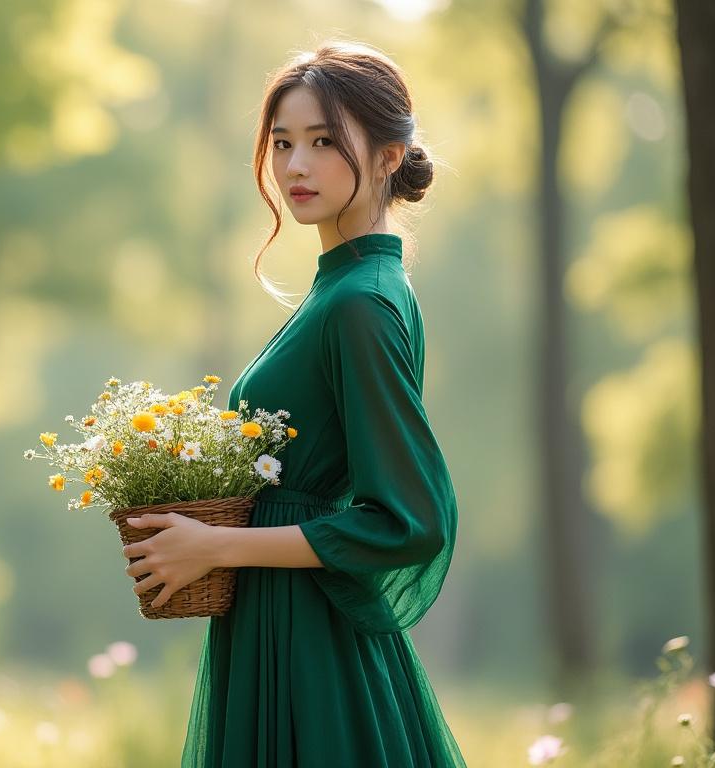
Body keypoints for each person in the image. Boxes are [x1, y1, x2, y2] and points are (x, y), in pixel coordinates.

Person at [119, 40, 468, 766]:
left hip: (311, 638)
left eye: (322, 142)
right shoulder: (340, 290)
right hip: (278, 619)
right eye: (282, 143)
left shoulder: (361, 305)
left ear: (387, 157)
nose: (294, 167)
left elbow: (410, 520)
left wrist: (216, 545)